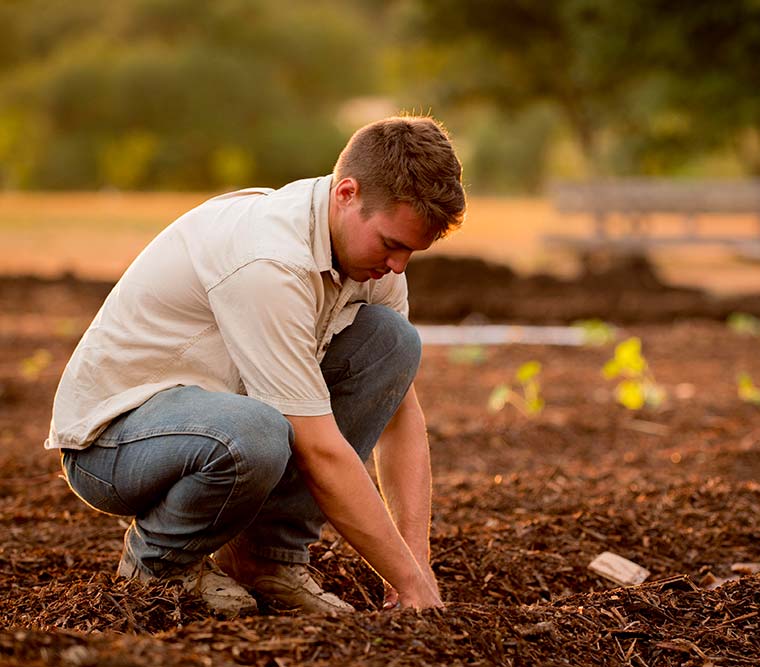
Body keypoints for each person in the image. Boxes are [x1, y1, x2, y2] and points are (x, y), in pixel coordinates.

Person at [45, 115, 466, 617]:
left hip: (216, 419)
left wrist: (416, 566)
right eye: (392, 244)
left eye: (411, 252)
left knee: (392, 342)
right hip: (112, 442)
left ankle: (266, 559)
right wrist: (405, 580)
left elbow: (399, 413)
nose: (398, 266)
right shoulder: (269, 261)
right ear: (346, 193)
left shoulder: (372, 263)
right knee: (258, 432)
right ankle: (159, 565)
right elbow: (319, 450)